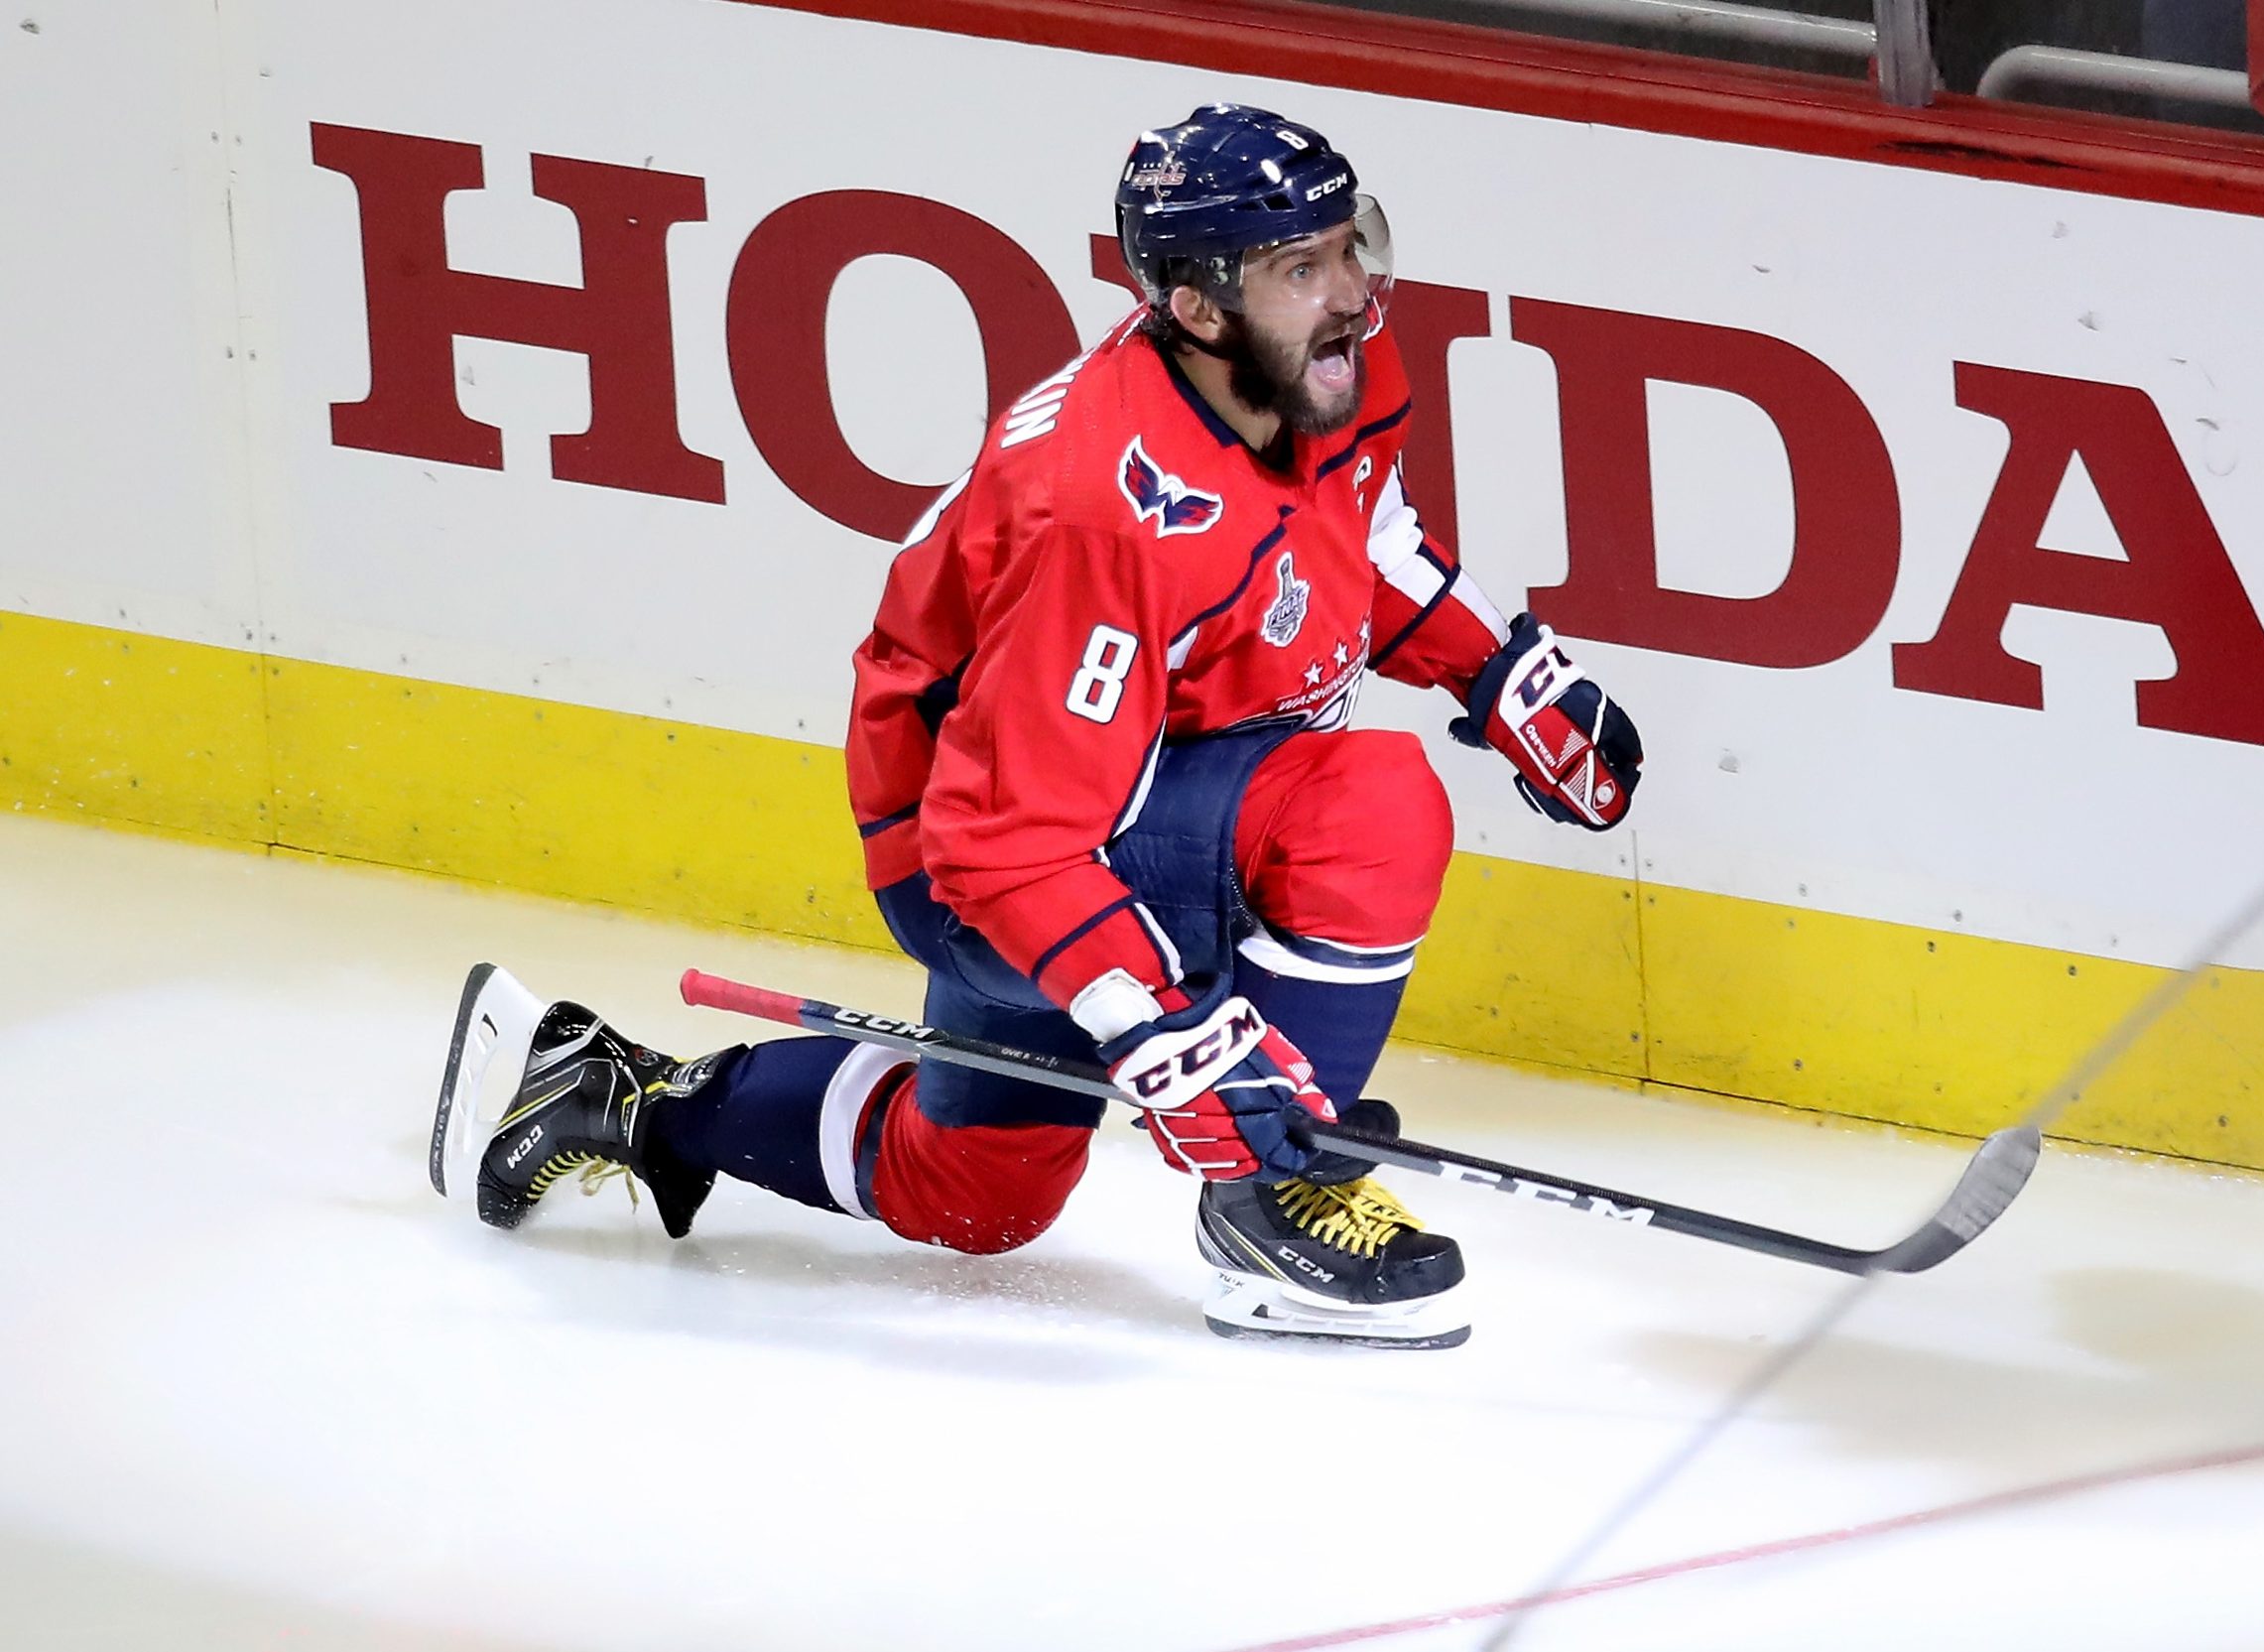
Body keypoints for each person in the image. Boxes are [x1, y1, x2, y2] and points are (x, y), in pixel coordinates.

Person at [430, 104, 1645, 1349]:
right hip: (993, 863)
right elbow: (1003, 844)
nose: (1351, 294)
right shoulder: (1100, 511)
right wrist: (1165, 1036)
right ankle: (1276, 1191)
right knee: (1369, 808)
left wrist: (1494, 671)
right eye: (1302, 268)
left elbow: (1345, 536)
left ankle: (625, 1096)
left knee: (977, 1200)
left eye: (1350, 245)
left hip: (1123, 811)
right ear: (1198, 307)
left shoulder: (1317, 370)